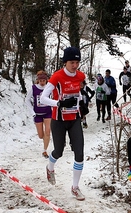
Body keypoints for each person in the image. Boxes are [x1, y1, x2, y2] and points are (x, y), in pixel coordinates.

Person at [39, 46, 87, 201]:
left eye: (77, 62)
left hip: (74, 119)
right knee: (58, 151)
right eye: (72, 62)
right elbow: (43, 98)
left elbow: (78, 93)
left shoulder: (80, 76)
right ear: (65, 62)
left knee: (79, 153)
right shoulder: (57, 77)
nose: (75, 65)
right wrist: (59, 103)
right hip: (59, 120)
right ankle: (50, 168)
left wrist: (81, 103)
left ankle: (75, 187)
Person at [25, 70, 52, 158]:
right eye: (40, 81)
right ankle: (44, 140)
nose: (42, 82)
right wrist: (32, 112)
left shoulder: (49, 87)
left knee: (47, 132)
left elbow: (54, 97)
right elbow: (27, 100)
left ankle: (45, 150)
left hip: (48, 113)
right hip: (37, 114)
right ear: (38, 80)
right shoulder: (33, 88)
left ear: (46, 80)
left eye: (44, 80)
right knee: (41, 135)